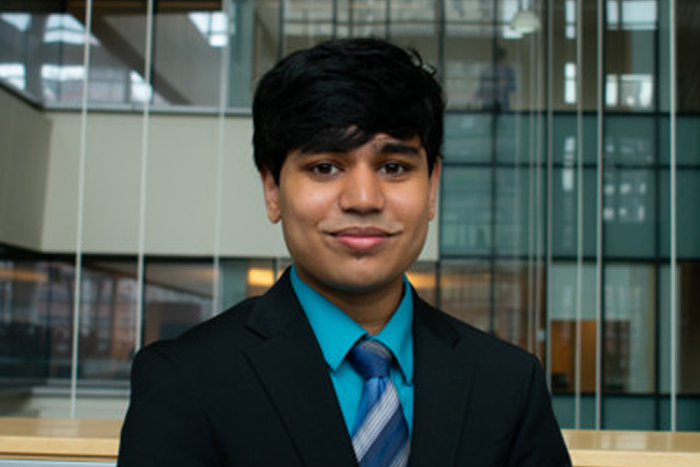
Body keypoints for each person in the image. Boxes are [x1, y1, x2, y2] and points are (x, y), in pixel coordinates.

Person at [117, 38, 571, 467]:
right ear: (272, 189)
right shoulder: (186, 378)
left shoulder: (508, 383)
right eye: (325, 167)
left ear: (431, 186)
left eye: (393, 167)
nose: (363, 198)